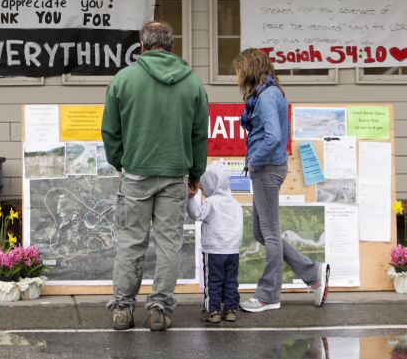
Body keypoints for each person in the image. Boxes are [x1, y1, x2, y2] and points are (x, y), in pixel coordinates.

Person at [102, 20, 209, 331]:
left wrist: (122, 162)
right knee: (168, 245)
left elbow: (110, 131)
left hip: (135, 174)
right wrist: (195, 174)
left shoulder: (123, 79)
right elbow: (199, 135)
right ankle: (159, 310)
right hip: (176, 175)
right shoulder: (192, 84)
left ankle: (123, 308)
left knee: (131, 243)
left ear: (142, 45)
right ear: (171, 46)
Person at [232, 48, 330, 313]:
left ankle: (268, 296)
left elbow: (274, 137)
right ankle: (312, 274)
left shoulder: (265, 97)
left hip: (266, 169)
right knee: (261, 233)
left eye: (239, 71)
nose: (237, 77)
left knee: (270, 234)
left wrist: (254, 161)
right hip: (269, 168)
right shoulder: (269, 93)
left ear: (249, 69)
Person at [187, 162, 243, 323]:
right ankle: (230, 309)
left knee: (213, 281)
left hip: (213, 251)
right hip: (233, 251)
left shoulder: (211, 202)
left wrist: (191, 198)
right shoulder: (235, 203)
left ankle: (213, 311)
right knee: (231, 281)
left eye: (204, 185)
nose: (203, 189)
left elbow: (197, 214)